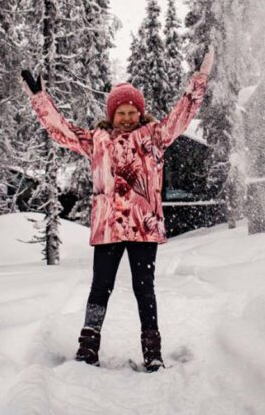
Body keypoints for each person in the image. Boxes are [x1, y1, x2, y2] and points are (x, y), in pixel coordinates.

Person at [20, 47, 214, 372]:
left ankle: (152, 352)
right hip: (108, 228)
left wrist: (199, 79)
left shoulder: (154, 137)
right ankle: (88, 347)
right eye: (120, 112)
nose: (126, 117)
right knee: (100, 288)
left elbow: (182, 114)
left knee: (144, 289)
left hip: (143, 227)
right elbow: (62, 131)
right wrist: (40, 98)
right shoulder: (97, 140)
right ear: (111, 115)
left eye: (131, 111)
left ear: (140, 113)